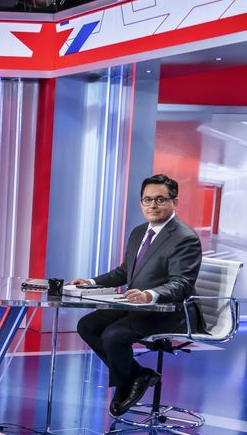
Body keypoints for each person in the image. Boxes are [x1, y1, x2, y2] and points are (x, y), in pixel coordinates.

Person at [73, 174, 203, 417]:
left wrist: (150, 294)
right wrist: (90, 282)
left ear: (175, 202)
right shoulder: (139, 232)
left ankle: (126, 385)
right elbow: (125, 272)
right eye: (147, 200)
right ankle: (137, 375)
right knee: (87, 325)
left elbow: (182, 284)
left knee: (114, 335)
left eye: (160, 199)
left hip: (168, 311)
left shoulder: (185, 238)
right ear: (141, 203)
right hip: (137, 306)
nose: (153, 205)